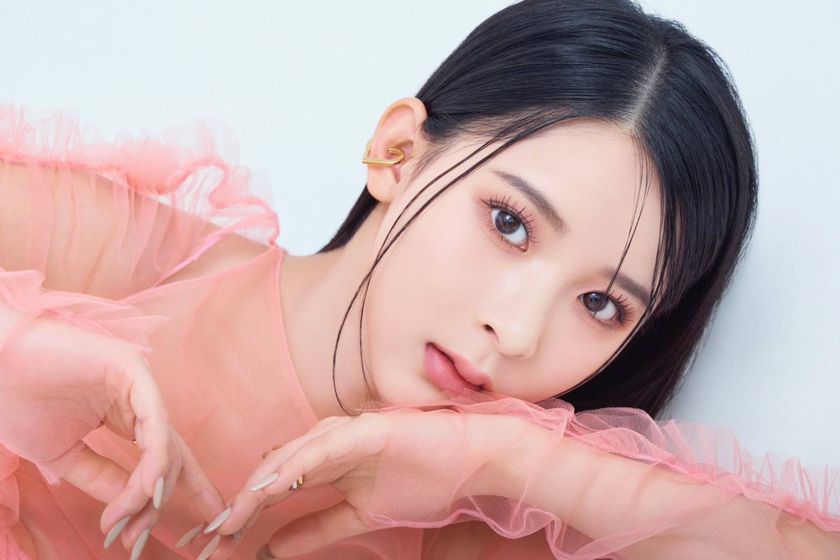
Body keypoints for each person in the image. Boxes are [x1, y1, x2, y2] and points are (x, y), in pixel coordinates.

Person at [0, 0, 838, 558]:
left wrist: (523, 464)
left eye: (600, 303)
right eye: (509, 223)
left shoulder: (482, 525)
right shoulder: (133, 260)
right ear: (397, 152)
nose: (517, 332)